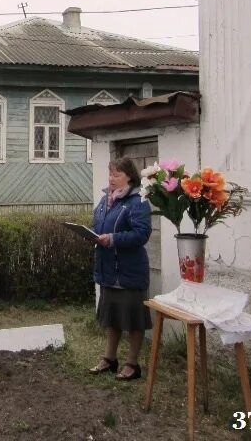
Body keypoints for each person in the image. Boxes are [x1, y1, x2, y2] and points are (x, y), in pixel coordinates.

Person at [89, 157, 152, 381]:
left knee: (134, 319)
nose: (111, 178)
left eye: (116, 174)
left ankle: (133, 364)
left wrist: (113, 238)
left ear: (130, 177)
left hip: (129, 270)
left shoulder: (138, 201)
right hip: (108, 268)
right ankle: (109, 358)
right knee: (112, 317)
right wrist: (93, 235)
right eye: (110, 173)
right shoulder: (106, 199)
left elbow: (141, 234)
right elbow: (99, 224)